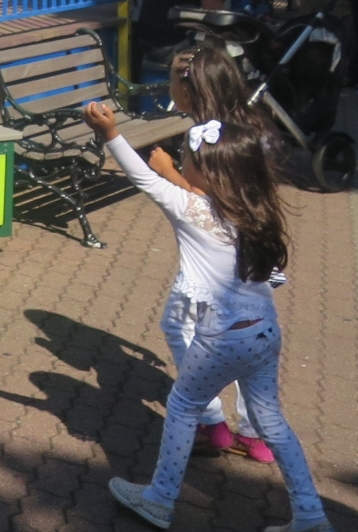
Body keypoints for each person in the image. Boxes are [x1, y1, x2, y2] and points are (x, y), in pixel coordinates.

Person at [88, 92, 329, 532]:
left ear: (207, 172)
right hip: (265, 333)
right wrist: (175, 173)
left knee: (183, 406)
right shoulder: (256, 209)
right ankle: (311, 515)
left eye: (186, 157)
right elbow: (195, 193)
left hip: (221, 339)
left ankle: (160, 499)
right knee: (272, 422)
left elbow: (143, 179)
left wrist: (110, 134)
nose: (181, 162)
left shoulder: (191, 208)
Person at [154, 45, 275, 465]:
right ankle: (257, 436)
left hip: (214, 264)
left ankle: (210, 422)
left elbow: (203, 201)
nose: (169, 85)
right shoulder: (251, 127)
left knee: (178, 325)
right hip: (253, 253)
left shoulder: (202, 137)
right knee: (248, 343)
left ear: (190, 90)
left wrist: (167, 173)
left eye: (172, 78)